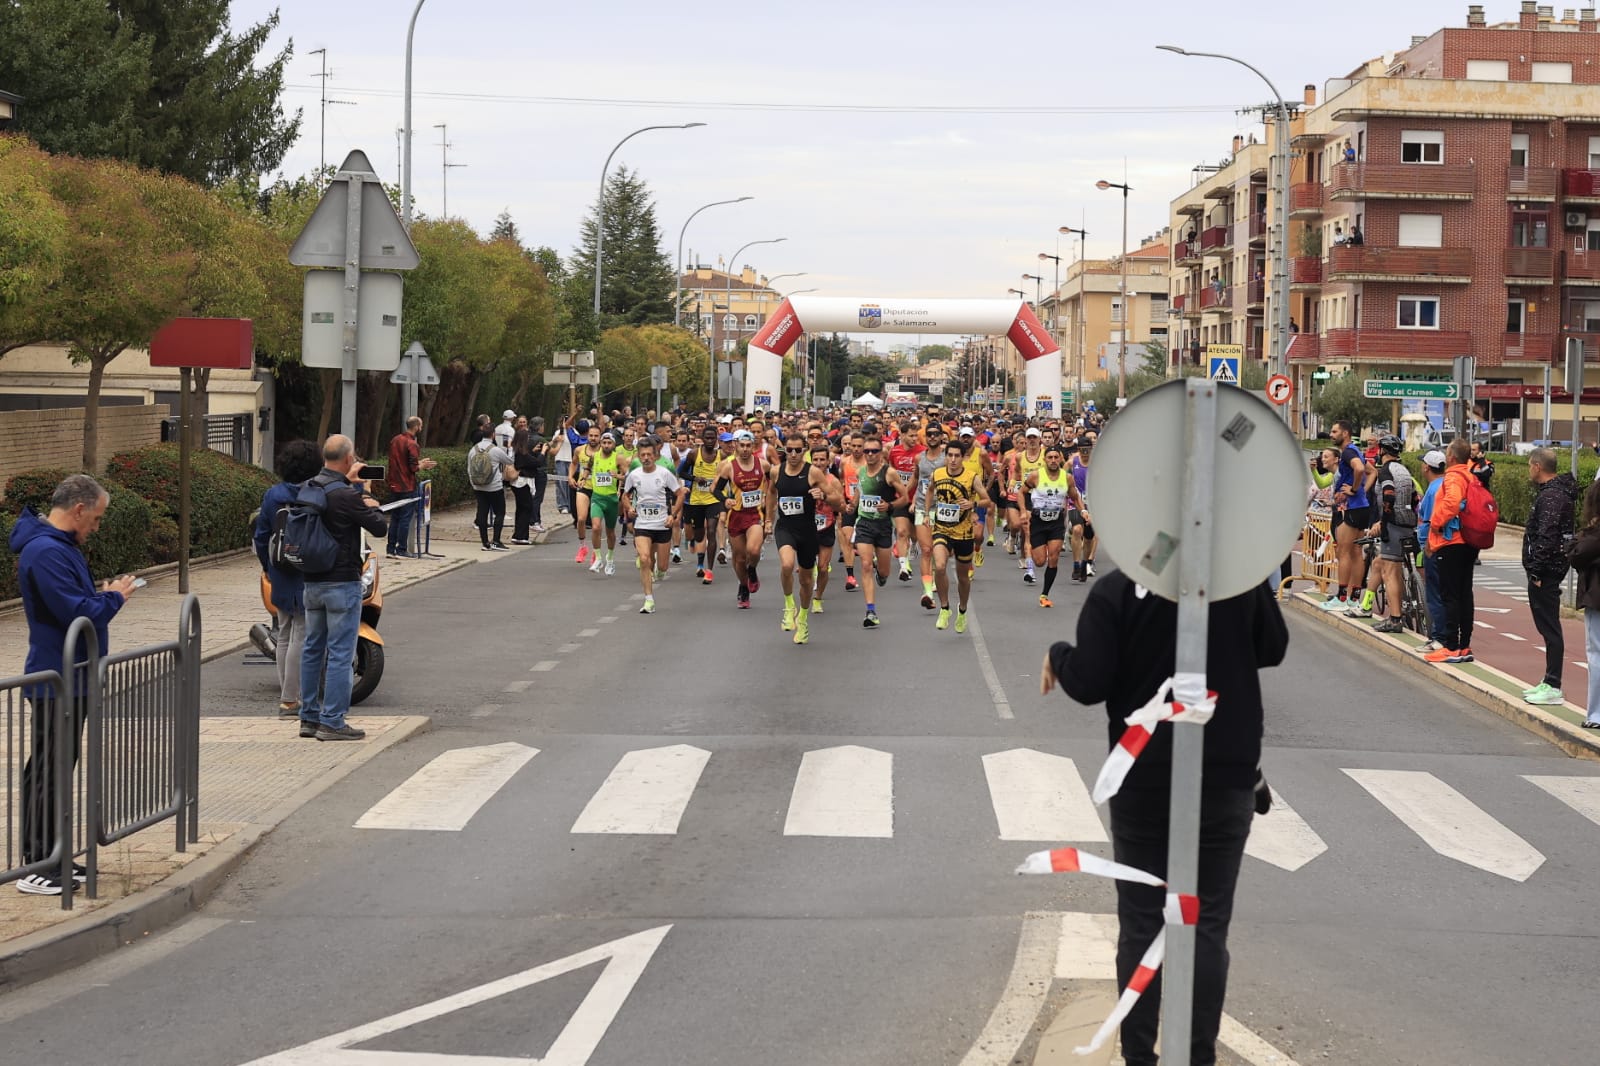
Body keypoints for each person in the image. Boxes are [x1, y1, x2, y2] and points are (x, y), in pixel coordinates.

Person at [1040, 567, 1288, 1066]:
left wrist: (1058, 656)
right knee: (1207, 925)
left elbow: (1089, 682)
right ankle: (1197, 1058)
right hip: (1225, 776)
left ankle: (1139, 1057)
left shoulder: (1116, 590)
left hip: (1143, 778)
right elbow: (1273, 646)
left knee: (1141, 923)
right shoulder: (1235, 582)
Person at [11, 475, 137, 895]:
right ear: (79, 509)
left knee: (58, 766)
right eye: (96, 519)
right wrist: (114, 597)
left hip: (71, 676)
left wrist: (104, 599)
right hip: (56, 677)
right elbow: (75, 610)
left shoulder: (58, 547)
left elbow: (78, 605)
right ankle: (38, 863)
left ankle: (56, 854)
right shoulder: (47, 551)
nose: (96, 527)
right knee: (49, 769)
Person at [299, 436, 389, 741]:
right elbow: (379, 527)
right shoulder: (346, 496)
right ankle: (333, 721)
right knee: (340, 653)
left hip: (312, 581)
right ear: (349, 459)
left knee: (313, 649)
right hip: (341, 582)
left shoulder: (309, 487)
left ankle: (308, 717)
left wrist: (348, 483)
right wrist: (367, 495)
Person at [254, 440, 323, 720]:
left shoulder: (273, 495)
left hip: (281, 568)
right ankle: (292, 699)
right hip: (309, 568)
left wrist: (268, 567)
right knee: (302, 634)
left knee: (283, 631)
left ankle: (287, 698)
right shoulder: (317, 493)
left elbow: (261, 536)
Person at [766, 434, 842, 643]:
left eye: (798, 450)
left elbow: (837, 500)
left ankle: (803, 619)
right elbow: (771, 493)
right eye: (789, 449)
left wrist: (823, 496)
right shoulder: (776, 471)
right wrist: (768, 519)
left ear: (804, 450)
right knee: (787, 564)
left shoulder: (813, 472)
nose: (793, 454)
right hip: (785, 527)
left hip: (808, 530)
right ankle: (789, 605)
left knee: (806, 580)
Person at [1521, 447, 1578, 705]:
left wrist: (1536, 570)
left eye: (1529, 465)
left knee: (1550, 628)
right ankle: (1549, 680)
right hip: (1550, 569)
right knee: (1548, 627)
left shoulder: (1552, 496)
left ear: (1537, 466)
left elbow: (1547, 535)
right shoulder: (1555, 493)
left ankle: (1553, 684)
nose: (1529, 470)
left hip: (1546, 572)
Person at [1352, 436, 1416, 632]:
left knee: (1390, 573)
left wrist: (1383, 522)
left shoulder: (1386, 471)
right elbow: (1414, 496)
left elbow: (1388, 494)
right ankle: (1366, 605)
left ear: (1382, 451)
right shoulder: (1404, 470)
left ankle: (1395, 619)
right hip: (1408, 523)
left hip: (1393, 525)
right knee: (1379, 563)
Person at [1424, 438, 1478, 664]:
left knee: (1450, 595)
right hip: (1469, 540)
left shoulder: (1454, 477)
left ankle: (1451, 646)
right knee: (1465, 594)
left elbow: (1451, 502)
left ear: (1452, 457)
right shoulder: (1472, 476)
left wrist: (1435, 524)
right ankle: (1464, 645)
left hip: (1451, 541)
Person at [621, 438, 684, 615]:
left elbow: (680, 495)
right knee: (644, 558)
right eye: (643, 455)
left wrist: (673, 515)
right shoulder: (634, 475)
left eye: (649, 454)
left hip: (663, 524)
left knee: (663, 567)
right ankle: (649, 600)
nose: (646, 458)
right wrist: (629, 508)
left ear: (655, 456)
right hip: (642, 524)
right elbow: (624, 496)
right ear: (638, 456)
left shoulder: (664, 474)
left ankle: (660, 570)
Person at [925, 440, 982, 632]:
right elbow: (930, 491)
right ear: (945, 456)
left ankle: (962, 610)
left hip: (964, 534)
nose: (953, 459)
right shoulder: (937, 474)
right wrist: (927, 513)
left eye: (957, 456)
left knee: (963, 578)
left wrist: (973, 505)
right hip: (942, 529)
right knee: (940, 566)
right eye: (950, 455)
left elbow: (987, 500)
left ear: (963, 457)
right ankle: (944, 608)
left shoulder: (972, 477)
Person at [1021, 444, 1084, 608]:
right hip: (1038, 521)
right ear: (1045, 459)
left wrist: (1083, 511)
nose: (1053, 460)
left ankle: (1044, 595)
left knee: (1054, 557)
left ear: (1061, 459)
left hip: (1056, 521)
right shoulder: (1036, 476)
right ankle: (1032, 553)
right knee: (1040, 561)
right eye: (1050, 457)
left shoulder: (1067, 478)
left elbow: (1075, 497)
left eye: (1056, 457)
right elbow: (1021, 492)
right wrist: (1023, 511)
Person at [718, 429, 771, 609]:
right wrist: (725, 500)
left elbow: (773, 485)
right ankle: (743, 586)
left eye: (748, 446)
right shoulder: (729, 467)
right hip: (736, 515)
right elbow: (715, 489)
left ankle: (752, 570)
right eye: (742, 445)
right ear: (736, 446)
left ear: (753, 446)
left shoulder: (763, 465)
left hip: (755, 514)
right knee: (740, 558)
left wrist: (767, 496)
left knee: (753, 551)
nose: (745, 449)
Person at [1323, 420, 1370, 612]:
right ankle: (1353, 598)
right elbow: (1371, 471)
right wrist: (1361, 491)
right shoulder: (1356, 451)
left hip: (1351, 508)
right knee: (1357, 552)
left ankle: (1342, 598)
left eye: (1335, 431)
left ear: (1345, 433)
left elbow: (1360, 469)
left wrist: (1354, 489)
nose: (1331, 434)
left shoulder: (1349, 452)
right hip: (1362, 507)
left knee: (1343, 552)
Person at [1566, 479, 1600, 728]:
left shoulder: (1594, 534)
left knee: (1596, 651)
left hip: (1597, 598)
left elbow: (1577, 553)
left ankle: (1596, 714)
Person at [384, 416, 436, 558]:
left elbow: (402, 462)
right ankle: (402, 549)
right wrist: (423, 465)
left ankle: (390, 549)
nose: (421, 427)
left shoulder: (395, 440)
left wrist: (420, 462)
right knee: (405, 518)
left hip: (394, 484)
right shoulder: (412, 444)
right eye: (421, 425)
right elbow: (413, 468)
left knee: (395, 517)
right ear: (416, 427)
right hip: (407, 485)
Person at [1415, 450, 1450, 653]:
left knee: (1435, 594)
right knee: (1447, 593)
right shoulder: (1447, 485)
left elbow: (1429, 521)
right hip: (1450, 545)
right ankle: (1448, 636)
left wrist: (1426, 546)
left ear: (1427, 467)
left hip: (1434, 546)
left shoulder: (1433, 490)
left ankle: (1438, 638)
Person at [467, 430, 513, 552]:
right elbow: (510, 461)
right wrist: (510, 449)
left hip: (478, 487)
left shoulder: (473, 450)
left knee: (482, 513)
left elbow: (469, 469)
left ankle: (485, 543)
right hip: (494, 487)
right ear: (493, 435)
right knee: (500, 513)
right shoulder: (495, 450)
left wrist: (474, 484)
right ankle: (496, 541)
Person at [587, 432, 626, 574]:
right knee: (596, 527)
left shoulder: (618, 458)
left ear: (614, 444)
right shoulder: (594, 456)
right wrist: (583, 477)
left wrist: (618, 476)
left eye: (609, 443)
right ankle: (598, 558)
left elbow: (628, 475)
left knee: (610, 532)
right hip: (597, 498)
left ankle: (610, 558)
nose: (606, 445)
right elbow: (587, 468)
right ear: (600, 443)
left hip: (611, 500)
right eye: (604, 443)